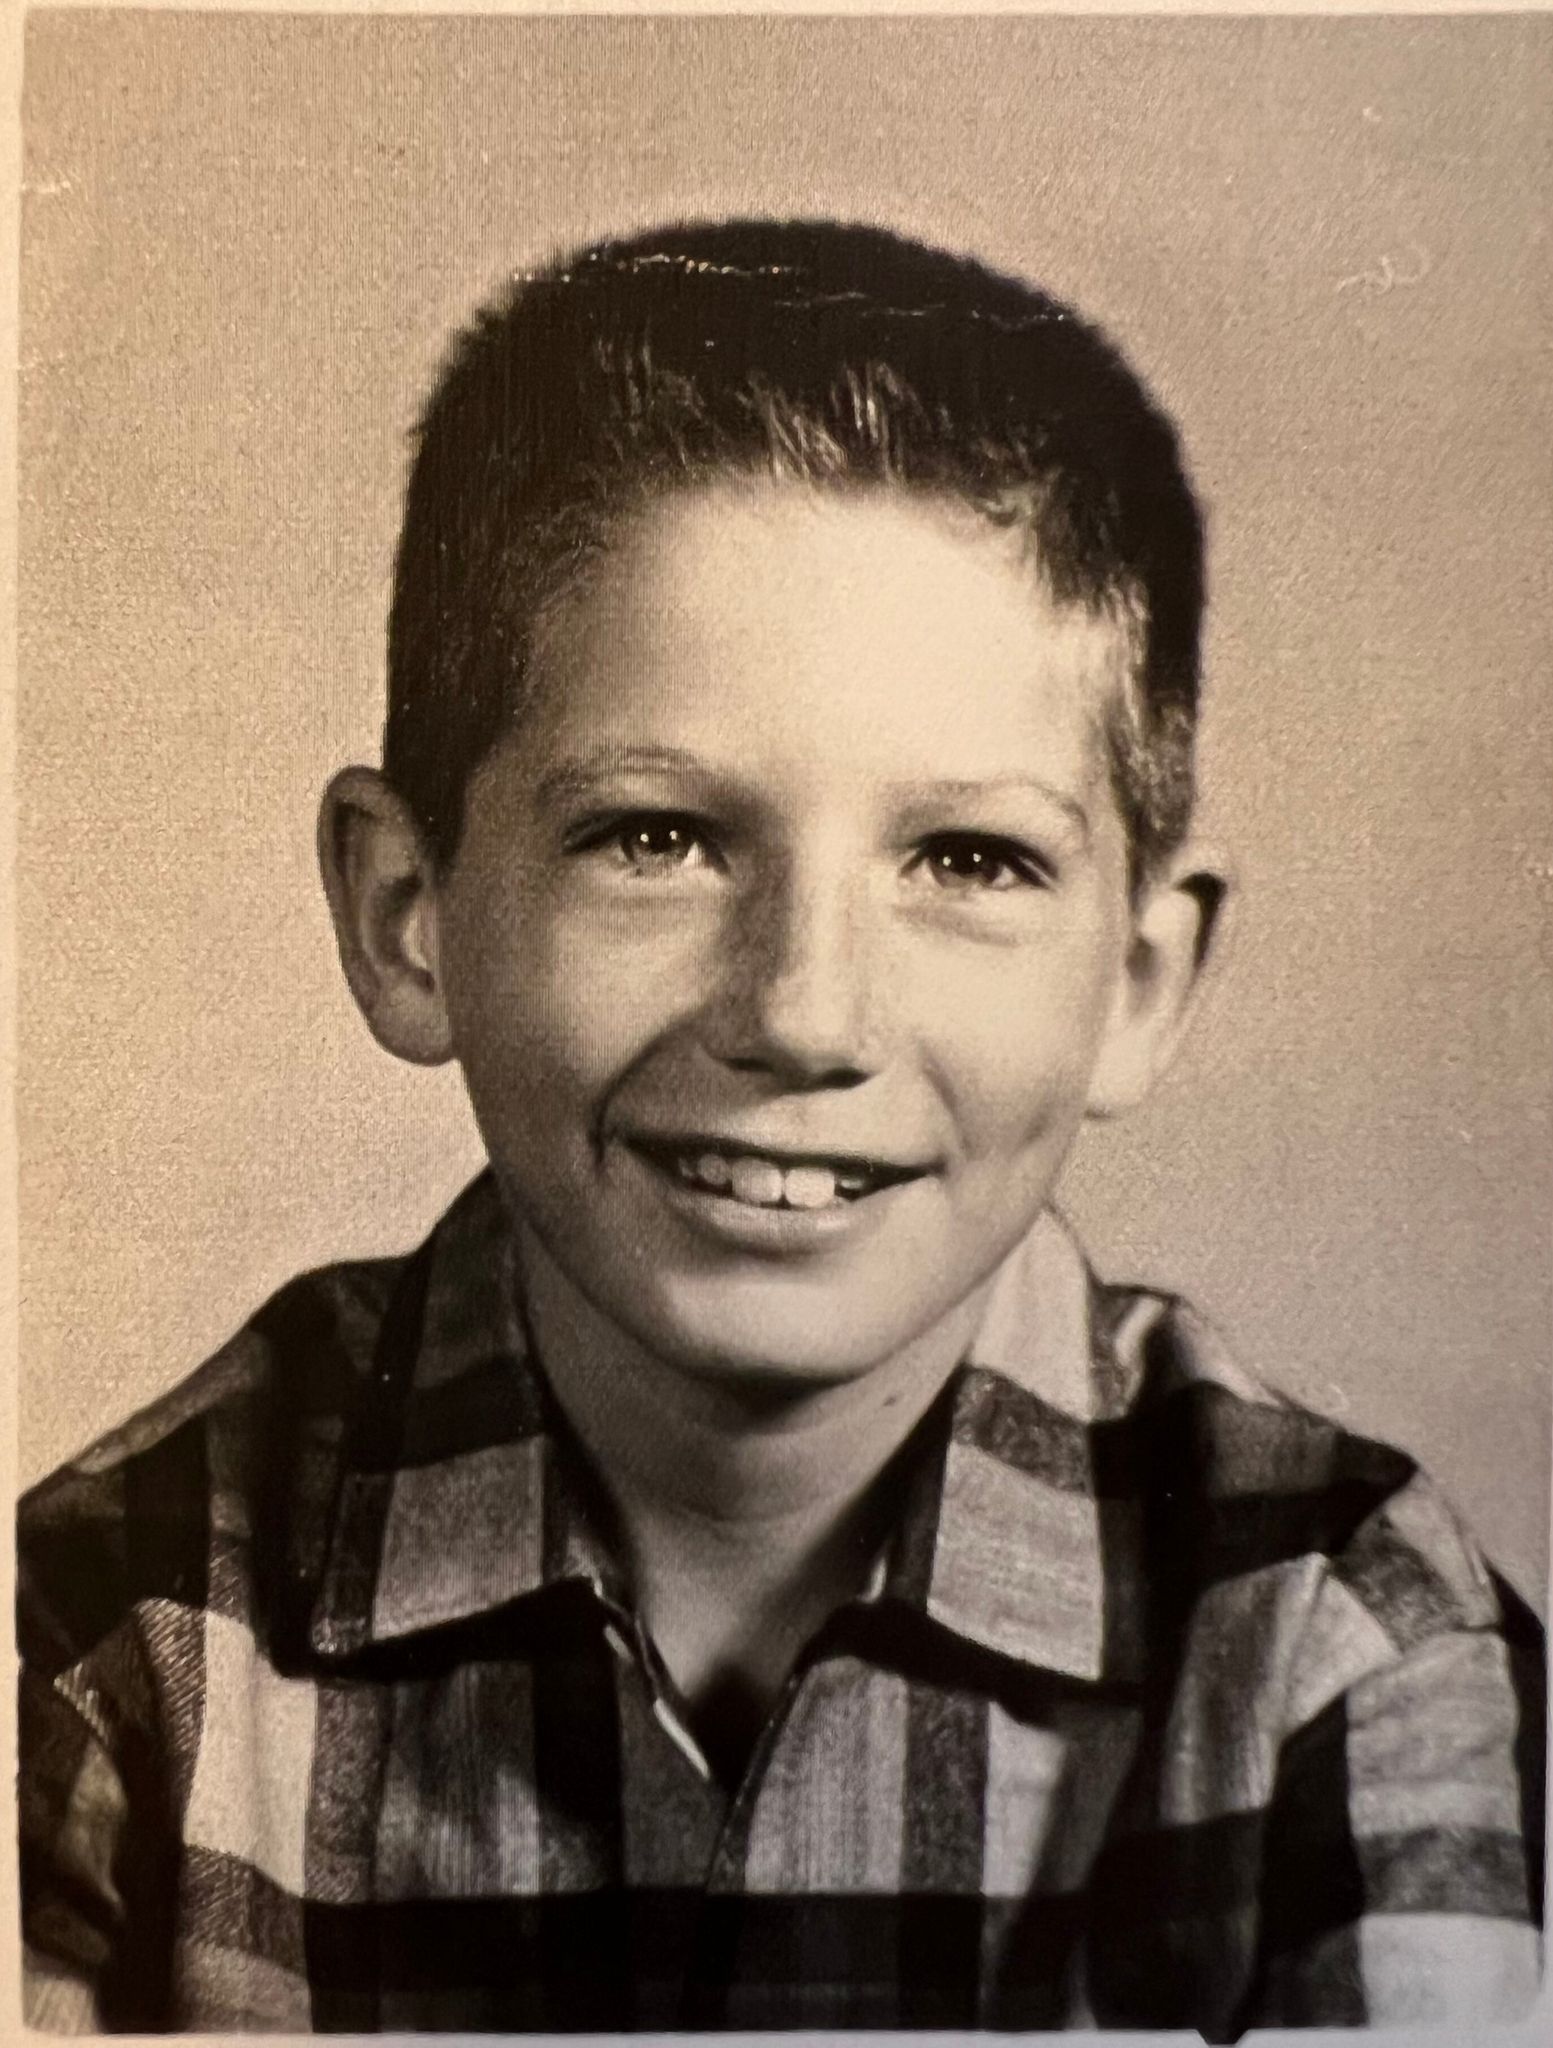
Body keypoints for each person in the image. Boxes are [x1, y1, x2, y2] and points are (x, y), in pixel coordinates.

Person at [18, 219, 1543, 2036]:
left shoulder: (1336, 1646)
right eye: (656, 838)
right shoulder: (111, 1635)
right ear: (407, 914)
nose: (805, 1014)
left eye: (965, 860)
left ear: (1139, 978)